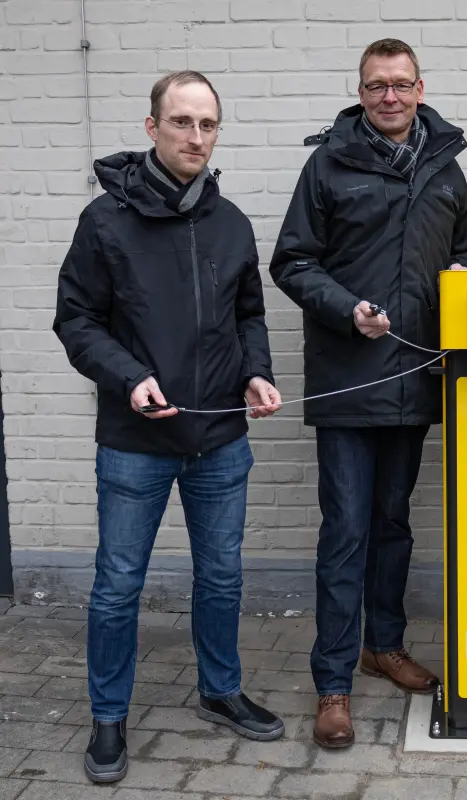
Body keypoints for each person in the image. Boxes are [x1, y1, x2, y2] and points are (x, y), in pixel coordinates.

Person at [53, 71, 284, 784]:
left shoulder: (231, 222)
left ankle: (219, 690)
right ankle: (109, 717)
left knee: (221, 577)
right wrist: (130, 378)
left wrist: (255, 372)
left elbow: (248, 314)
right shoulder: (105, 221)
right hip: (136, 443)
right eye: (182, 122)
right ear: (152, 127)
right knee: (118, 585)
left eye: (207, 124)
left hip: (220, 439)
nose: (195, 136)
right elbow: (76, 321)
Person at [270, 38, 467, 748]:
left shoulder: (446, 167)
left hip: (415, 380)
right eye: (375, 86)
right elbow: (292, 261)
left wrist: (460, 281)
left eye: (400, 84)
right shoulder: (328, 164)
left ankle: (383, 646)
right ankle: (333, 684)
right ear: (360, 93)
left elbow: (462, 251)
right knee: (347, 533)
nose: (389, 96)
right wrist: (345, 308)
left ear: (421, 88)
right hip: (348, 381)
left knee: (394, 525)